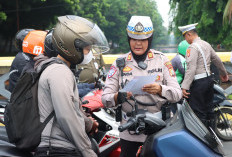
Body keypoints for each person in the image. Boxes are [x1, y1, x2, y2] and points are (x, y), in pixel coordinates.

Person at [101, 16, 182, 157]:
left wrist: (161, 89)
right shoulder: (119, 64)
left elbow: (177, 94)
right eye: (134, 39)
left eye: (143, 40)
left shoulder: (162, 60)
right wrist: (118, 97)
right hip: (129, 131)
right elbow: (105, 99)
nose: (138, 44)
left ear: (149, 40)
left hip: (159, 129)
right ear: (129, 39)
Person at [33, 15, 109, 157]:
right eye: (87, 48)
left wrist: (88, 123)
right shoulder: (59, 72)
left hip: (61, 146)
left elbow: (73, 109)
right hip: (57, 150)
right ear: (70, 47)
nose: (89, 53)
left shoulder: (61, 70)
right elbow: (66, 117)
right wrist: (87, 151)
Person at [178, 23, 229, 128]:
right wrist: (224, 74)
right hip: (209, 80)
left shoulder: (192, 48)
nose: (186, 40)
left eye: (185, 37)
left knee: (198, 112)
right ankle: (212, 134)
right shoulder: (206, 44)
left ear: (188, 34)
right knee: (209, 111)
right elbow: (217, 60)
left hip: (199, 84)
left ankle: (201, 140)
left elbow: (191, 69)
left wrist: (185, 86)